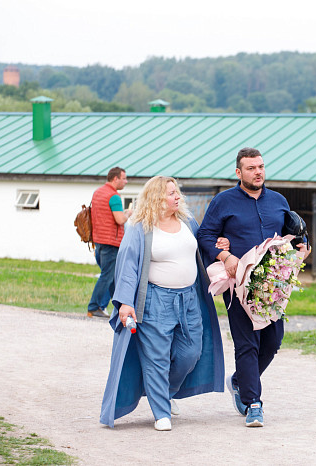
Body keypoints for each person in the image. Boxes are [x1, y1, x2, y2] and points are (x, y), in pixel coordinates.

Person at [197, 147, 311, 428]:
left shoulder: (279, 201)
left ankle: (239, 381)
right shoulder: (223, 202)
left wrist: (303, 249)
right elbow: (206, 235)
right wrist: (226, 255)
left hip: (272, 283)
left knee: (272, 342)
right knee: (246, 343)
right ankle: (253, 404)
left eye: (260, 166)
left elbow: (296, 235)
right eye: (251, 168)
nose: (258, 172)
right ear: (239, 172)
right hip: (238, 285)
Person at [100, 176, 226, 431]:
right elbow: (127, 266)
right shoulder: (139, 227)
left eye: (177, 192)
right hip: (155, 301)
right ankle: (161, 412)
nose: (177, 196)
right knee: (155, 357)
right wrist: (125, 302)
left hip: (189, 299)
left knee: (191, 352)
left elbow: (200, 249)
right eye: (171, 193)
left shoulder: (187, 221)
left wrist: (220, 246)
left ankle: (163, 392)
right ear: (156, 198)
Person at [87, 167, 132, 318]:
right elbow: (119, 219)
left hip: (99, 240)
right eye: (124, 178)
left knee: (112, 277)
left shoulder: (98, 193)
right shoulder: (114, 197)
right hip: (112, 242)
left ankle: (118, 307)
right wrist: (128, 213)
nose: (126, 181)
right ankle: (94, 306)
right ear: (115, 179)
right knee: (107, 276)